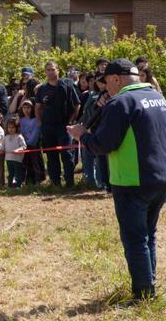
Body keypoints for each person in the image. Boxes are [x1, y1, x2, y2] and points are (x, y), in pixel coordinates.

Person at [68, 59, 166, 301]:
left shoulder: (120, 102)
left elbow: (103, 144)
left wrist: (82, 136)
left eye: (106, 83)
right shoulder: (158, 97)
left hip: (131, 180)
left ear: (116, 79)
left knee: (135, 238)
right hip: (160, 177)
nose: (105, 89)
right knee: (148, 234)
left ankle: (143, 294)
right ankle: (149, 286)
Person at [36, 61, 80, 187]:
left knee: (67, 154)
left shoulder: (67, 85)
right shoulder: (42, 89)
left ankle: (70, 183)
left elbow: (77, 104)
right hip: (48, 126)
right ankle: (55, 184)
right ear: (45, 72)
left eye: (52, 69)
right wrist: (40, 123)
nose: (50, 72)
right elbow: (38, 107)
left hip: (64, 125)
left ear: (58, 71)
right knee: (51, 155)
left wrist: (71, 121)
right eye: (48, 70)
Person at [19, 100, 44, 186]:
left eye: (28, 107)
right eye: (24, 108)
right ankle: (24, 180)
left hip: (33, 145)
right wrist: (23, 143)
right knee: (24, 163)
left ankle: (38, 179)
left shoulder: (36, 120)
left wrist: (29, 142)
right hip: (24, 146)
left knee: (35, 163)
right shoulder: (21, 120)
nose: (26, 110)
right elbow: (20, 133)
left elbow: (36, 133)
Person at [4, 118, 27, 188]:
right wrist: (1, 150)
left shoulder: (19, 136)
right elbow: (3, 146)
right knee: (10, 173)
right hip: (8, 159)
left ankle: (18, 185)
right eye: (9, 127)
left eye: (13, 127)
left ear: (17, 128)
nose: (11, 129)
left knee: (18, 173)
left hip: (17, 159)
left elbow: (24, 146)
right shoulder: (6, 137)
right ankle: (9, 186)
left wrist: (18, 150)